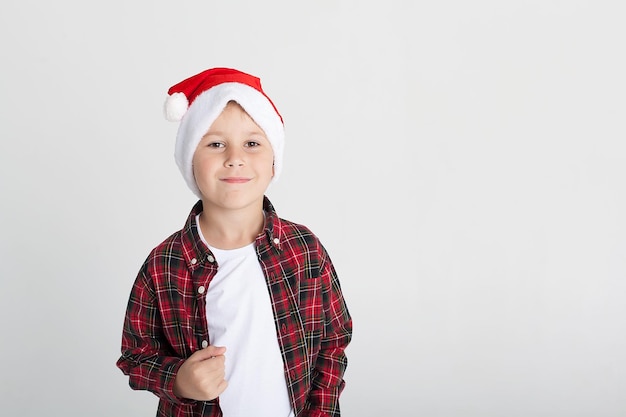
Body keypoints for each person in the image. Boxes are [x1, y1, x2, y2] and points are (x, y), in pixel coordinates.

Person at [116, 67, 353, 417]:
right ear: (190, 161)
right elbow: (135, 356)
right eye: (215, 144)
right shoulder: (165, 263)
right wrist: (179, 379)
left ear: (273, 162)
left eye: (252, 143)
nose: (235, 157)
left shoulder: (305, 250)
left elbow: (333, 343)